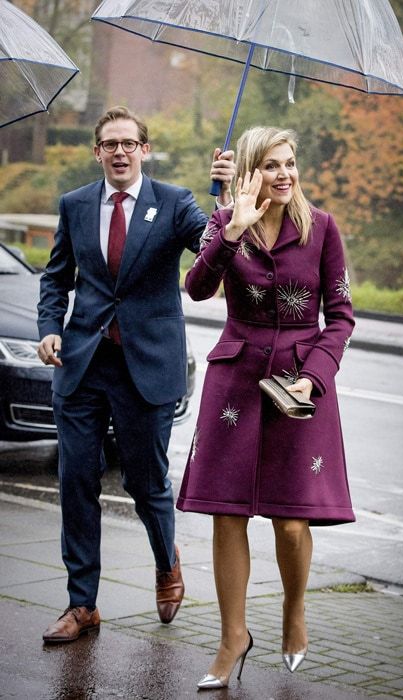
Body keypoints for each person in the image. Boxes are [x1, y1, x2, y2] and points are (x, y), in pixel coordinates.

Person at [37, 105, 235, 643]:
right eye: (110, 144)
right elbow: (56, 277)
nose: (120, 152)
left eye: (130, 143)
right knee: (76, 480)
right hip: (82, 365)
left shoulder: (173, 202)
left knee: (144, 482)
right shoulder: (75, 204)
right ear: (97, 151)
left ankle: (165, 560)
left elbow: (211, 250)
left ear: (144, 150)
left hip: (145, 367)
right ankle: (83, 605)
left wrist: (224, 201)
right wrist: (50, 327)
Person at [177, 125, 355, 688]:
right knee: (227, 514)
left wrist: (314, 378)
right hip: (236, 381)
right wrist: (231, 232)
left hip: (300, 387)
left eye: (291, 163)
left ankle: (294, 610)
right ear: (251, 169)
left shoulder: (322, 228)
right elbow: (197, 288)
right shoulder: (226, 223)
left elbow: (343, 317)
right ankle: (233, 639)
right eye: (272, 165)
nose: (285, 174)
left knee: (292, 525)